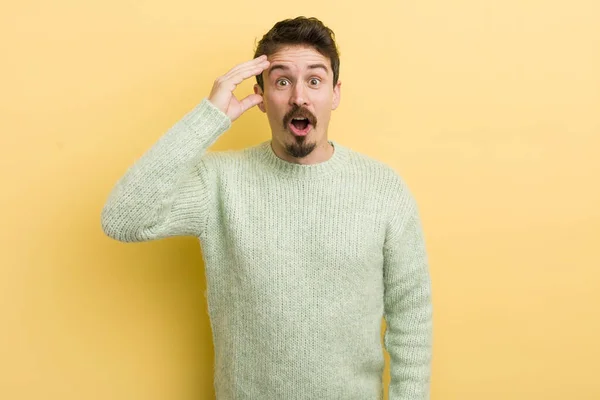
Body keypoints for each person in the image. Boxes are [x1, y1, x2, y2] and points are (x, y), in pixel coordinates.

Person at [101, 16, 432, 400]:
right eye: (282, 81)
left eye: (314, 80)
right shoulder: (219, 183)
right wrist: (209, 118)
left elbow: (411, 318)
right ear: (259, 94)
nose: (299, 98)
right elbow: (122, 218)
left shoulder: (383, 189)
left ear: (335, 93)